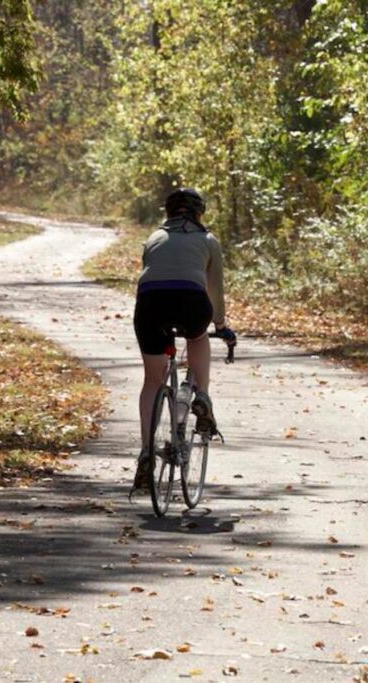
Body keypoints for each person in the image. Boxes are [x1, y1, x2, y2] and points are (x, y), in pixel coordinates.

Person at [132, 187, 236, 490]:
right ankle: (202, 395)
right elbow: (214, 288)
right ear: (199, 213)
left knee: (152, 380)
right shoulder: (208, 240)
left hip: (150, 304)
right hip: (191, 301)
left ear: (168, 212)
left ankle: (146, 452)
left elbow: (153, 274)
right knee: (198, 336)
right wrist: (220, 324)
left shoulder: (154, 237)